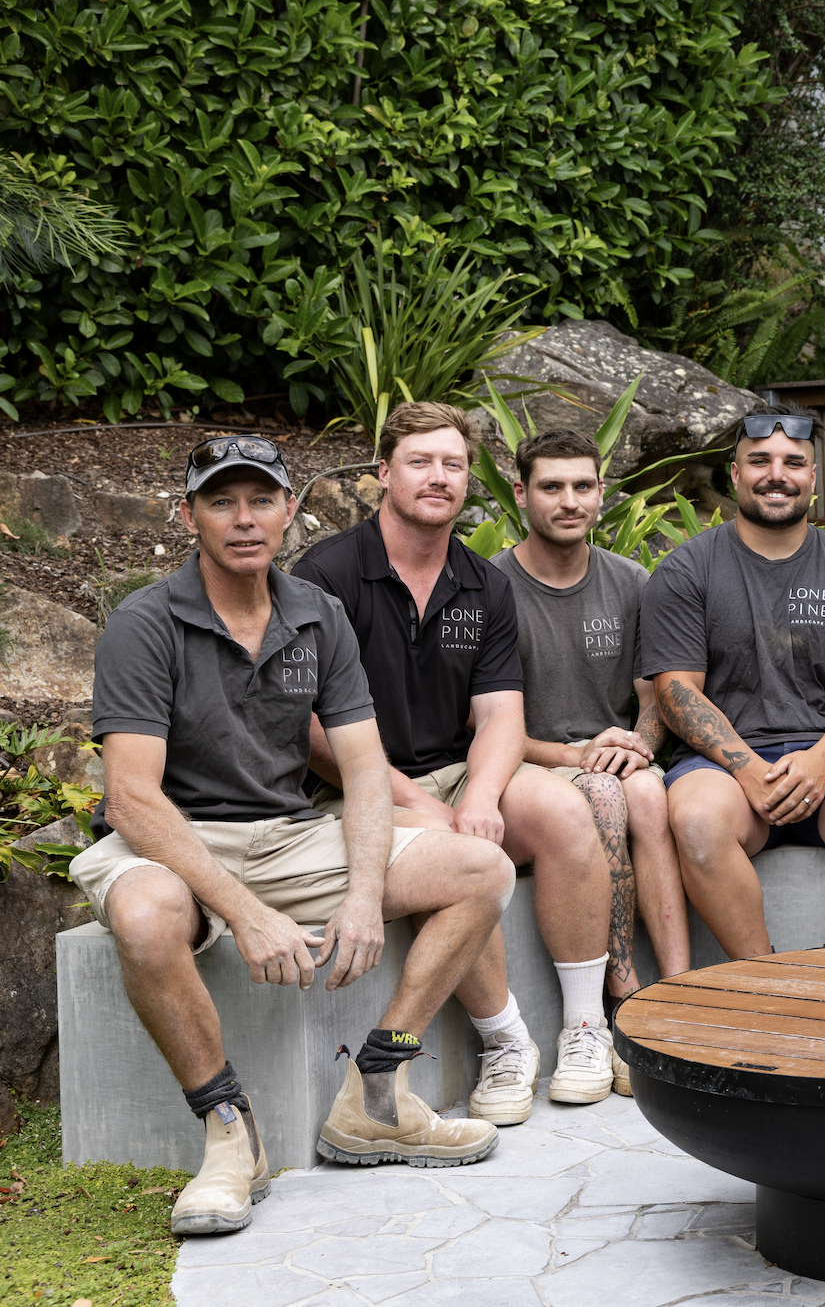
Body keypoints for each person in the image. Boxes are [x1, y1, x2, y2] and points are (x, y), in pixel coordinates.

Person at [75, 435, 508, 1237]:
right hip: (174, 838)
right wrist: (245, 913)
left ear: (290, 512)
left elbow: (365, 770)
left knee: (480, 868)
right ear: (189, 517)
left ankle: (377, 1093)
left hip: (287, 834)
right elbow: (132, 800)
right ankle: (229, 1136)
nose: (244, 520)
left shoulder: (317, 614)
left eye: (261, 501)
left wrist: (364, 896)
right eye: (221, 502)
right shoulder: (145, 622)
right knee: (142, 915)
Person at [294, 402, 627, 1123]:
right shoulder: (326, 574)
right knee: (450, 857)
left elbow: (501, 713)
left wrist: (479, 795)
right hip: (355, 783)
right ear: (383, 473)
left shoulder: (482, 583)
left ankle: (585, 1029)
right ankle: (506, 1042)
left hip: (454, 767)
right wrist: (417, 804)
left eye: (453, 464)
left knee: (567, 811)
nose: (438, 478)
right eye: (420, 462)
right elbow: (310, 725)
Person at [639, 402, 825, 957]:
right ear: (735, 474)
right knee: (697, 819)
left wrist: (821, 760)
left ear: (813, 477)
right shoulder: (685, 571)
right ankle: (764, 979)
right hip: (725, 769)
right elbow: (676, 691)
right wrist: (748, 769)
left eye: (794, 463)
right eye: (760, 461)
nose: (777, 475)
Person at [488, 426, 690, 1095]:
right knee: (603, 795)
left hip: (611, 754)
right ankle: (621, 1000)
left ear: (602, 493)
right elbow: (486, 726)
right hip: (531, 764)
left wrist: (638, 745)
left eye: (582, 486)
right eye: (551, 487)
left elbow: (652, 700)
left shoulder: (631, 582)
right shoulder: (491, 588)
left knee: (647, 793)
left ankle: (681, 996)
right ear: (521, 494)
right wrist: (578, 755)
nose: (569, 501)